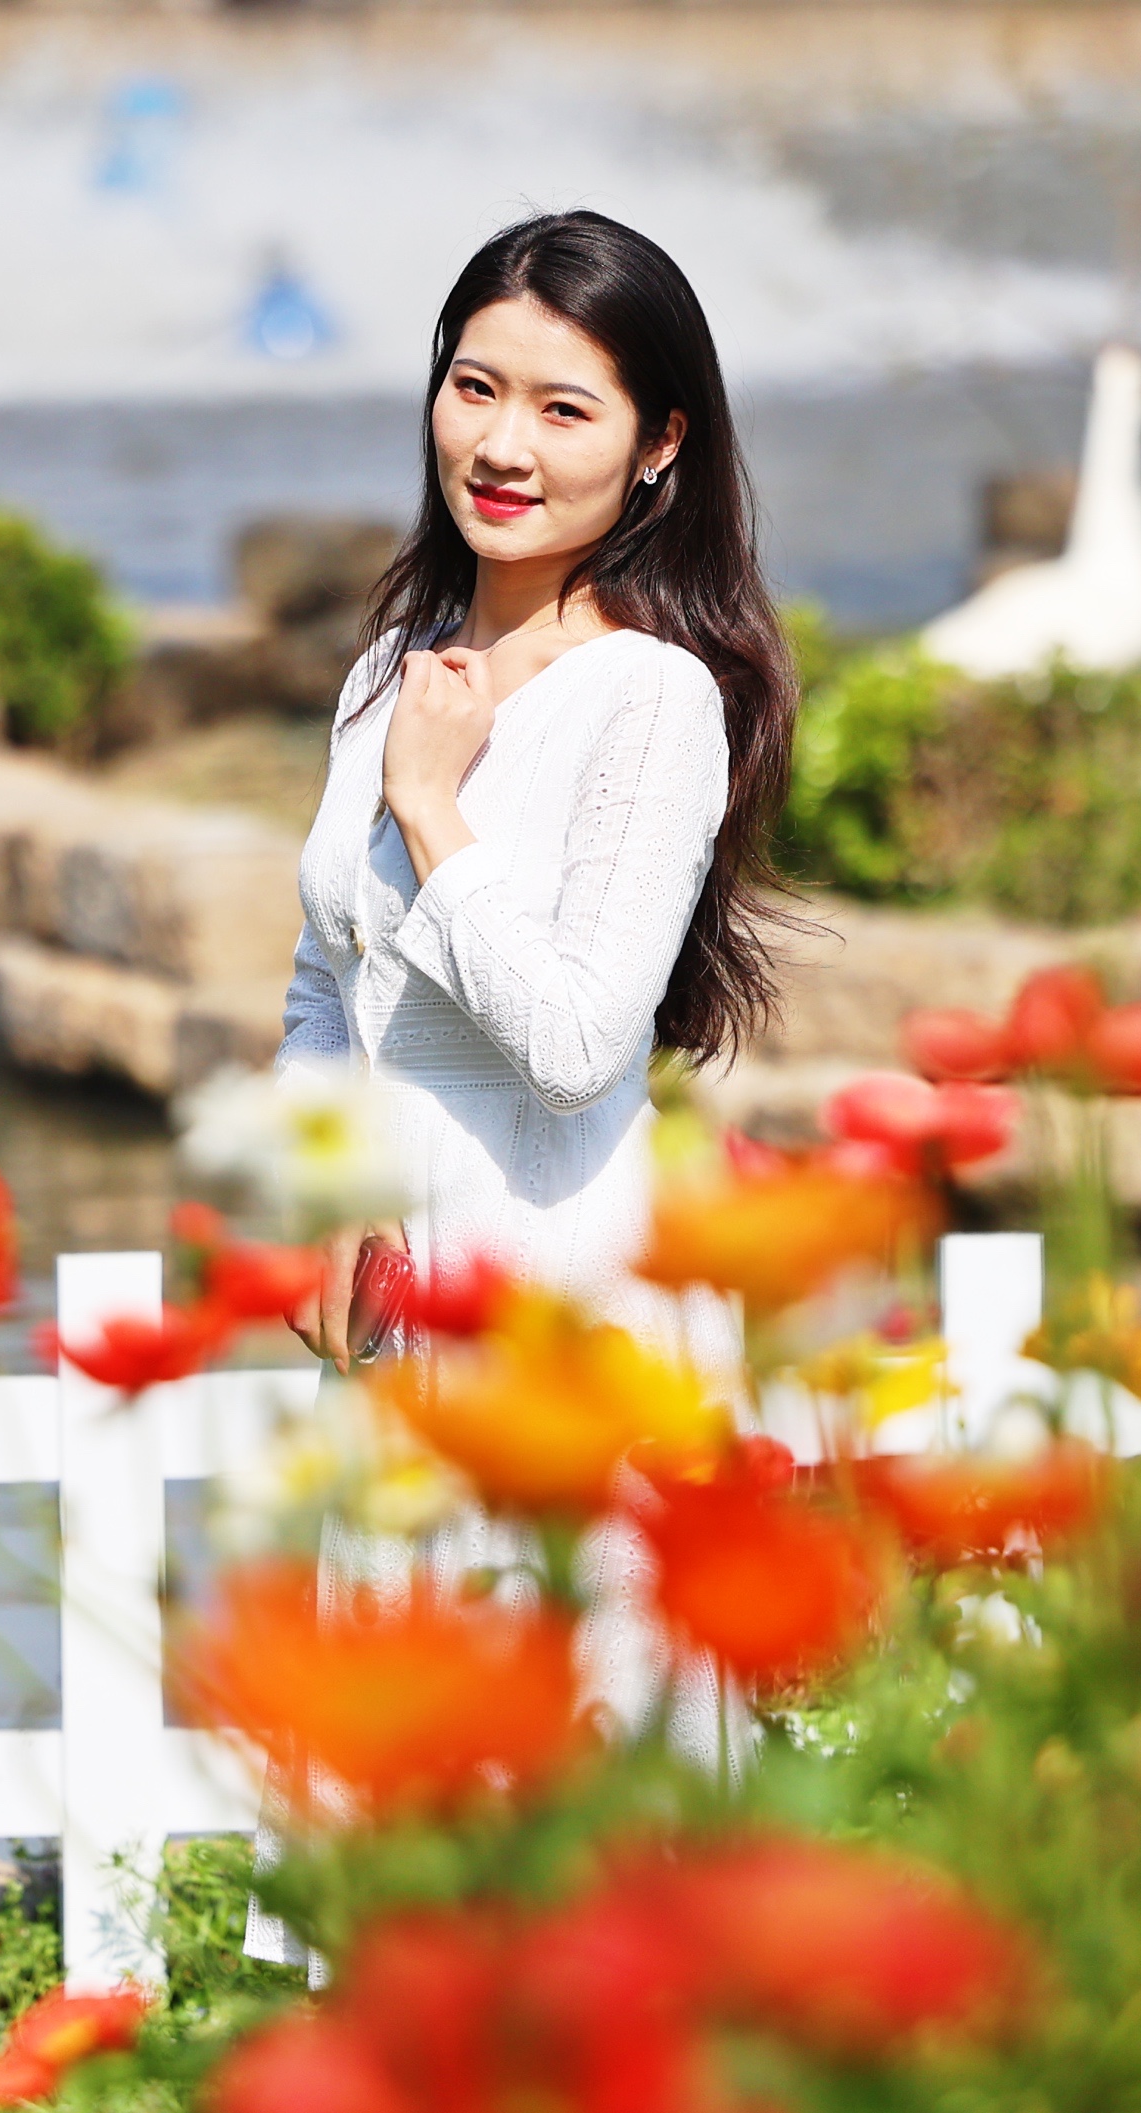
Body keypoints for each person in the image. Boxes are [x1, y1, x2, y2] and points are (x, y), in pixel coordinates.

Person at [278, 210, 796, 1365]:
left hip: (556, 1300)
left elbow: (577, 1051)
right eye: (475, 388)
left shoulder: (651, 698)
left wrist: (429, 807)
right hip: (388, 1312)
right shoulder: (386, 672)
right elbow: (327, 985)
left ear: (659, 443)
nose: (503, 447)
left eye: (563, 410)